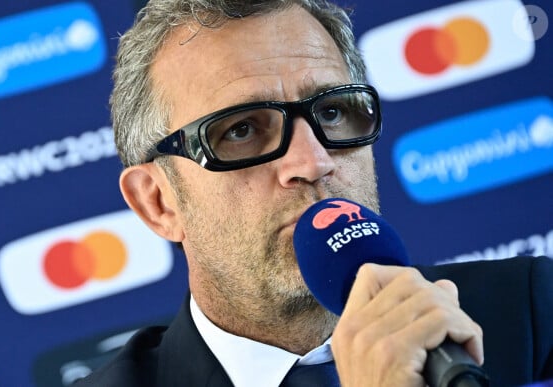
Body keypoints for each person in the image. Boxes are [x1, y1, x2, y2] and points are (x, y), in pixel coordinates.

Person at [75, 0, 553, 386]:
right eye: (241, 130)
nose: (313, 161)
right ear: (158, 203)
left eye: (331, 114)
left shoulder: (533, 312)